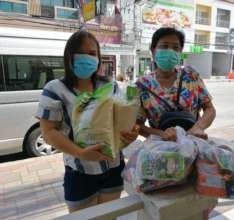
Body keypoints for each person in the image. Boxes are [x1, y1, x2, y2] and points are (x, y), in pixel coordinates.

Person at [36, 30, 138, 213]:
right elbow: (49, 132)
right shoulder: (55, 89)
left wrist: (129, 135)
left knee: (108, 216)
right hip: (79, 173)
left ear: (99, 58)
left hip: (113, 167)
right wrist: (81, 153)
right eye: (80, 52)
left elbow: (121, 121)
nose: (86, 57)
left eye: (92, 53)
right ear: (69, 57)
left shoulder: (110, 86)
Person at [135, 27, 216, 220]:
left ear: (180, 52)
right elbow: (137, 125)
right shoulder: (141, 85)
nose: (170, 51)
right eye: (164, 46)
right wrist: (160, 133)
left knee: (194, 208)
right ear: (153, 50)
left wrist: (198, 127)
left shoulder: (191, 76)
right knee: (166, 208)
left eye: (175, 47)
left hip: (195, 154)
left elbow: (210, 109)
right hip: (160, 158)